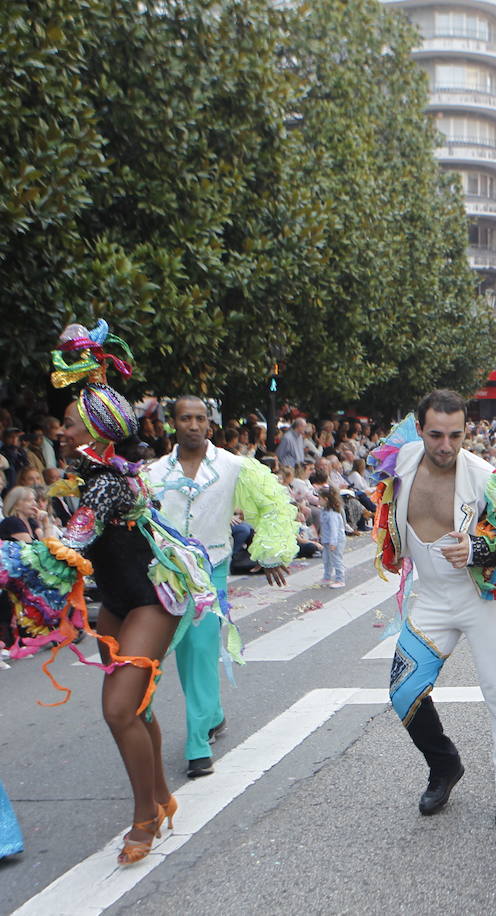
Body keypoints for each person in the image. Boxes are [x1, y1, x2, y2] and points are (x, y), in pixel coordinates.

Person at [1, 321, 230, 866]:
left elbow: (69, 546)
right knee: (140, 709)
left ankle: (145, 816)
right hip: (118, 604)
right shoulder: (84, 473)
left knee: (118, 709)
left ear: (96, 431)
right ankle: (161, 798)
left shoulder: (104, 482)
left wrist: (13, 561)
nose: (60, 428)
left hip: (152, 599)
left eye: (71, 422)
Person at [368, 390, 496, 827]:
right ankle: (444, 765)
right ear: (420, 430)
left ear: (467, 431)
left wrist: (480, 547)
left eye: (456, 435)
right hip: (430, 600)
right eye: (435, 435)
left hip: (478, 599)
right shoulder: (401, 462)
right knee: (403, 690)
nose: (446, 446)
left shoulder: (485, 477)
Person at [143, 395, 296, 777]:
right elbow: (141, 522)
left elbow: (273, 504)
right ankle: (212, 714)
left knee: (199, 644)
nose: (193, 425)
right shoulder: (154, 473)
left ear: (209, 424)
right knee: (184, 653)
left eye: (200, 419)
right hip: (169, 574)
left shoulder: (233, 466)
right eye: (185, 419)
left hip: (211, 571)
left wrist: (270, 552)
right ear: (172, 424)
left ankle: (197, 744)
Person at [317, 485, 345, 588]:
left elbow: (334, 530)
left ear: (326, 499)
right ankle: (327, 576)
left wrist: (333, 542)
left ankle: (340, 579)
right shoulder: (324, 512)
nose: (318, 500)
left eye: (319, 498)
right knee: (326, 559)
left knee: (336, 559)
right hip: (326, 540)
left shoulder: (332, 514)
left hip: (335, 540)